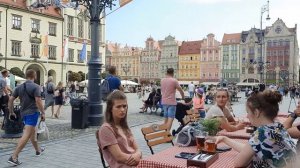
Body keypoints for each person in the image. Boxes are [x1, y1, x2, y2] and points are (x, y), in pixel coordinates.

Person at [216, 90, 297, 167]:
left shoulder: (263, 132)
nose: (247, 116)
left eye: (248, 112)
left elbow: (238, 163)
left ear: (256, 112)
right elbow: (249, 149)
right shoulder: (278, 127)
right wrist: (225, 139)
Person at [7, 69, 45, 166]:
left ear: (26, 76)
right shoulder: (36, 87)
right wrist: (43, 113)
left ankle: (38, 150)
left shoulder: (19, 87)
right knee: (27, 135)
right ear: (34, 76)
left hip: (23, 113)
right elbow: (38, 101)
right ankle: (14, 157)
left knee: (32, 132)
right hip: (32, 113)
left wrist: (11, 112)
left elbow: (10, 100)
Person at [97, 90, 142, 167]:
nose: (122, 109)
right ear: (110, 109)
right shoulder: (106, 129)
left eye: (124, 106)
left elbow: (138, 149)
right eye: (118, 106)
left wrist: (138, 154)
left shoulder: (124, 126)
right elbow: (119, 157)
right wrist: (137, 158)